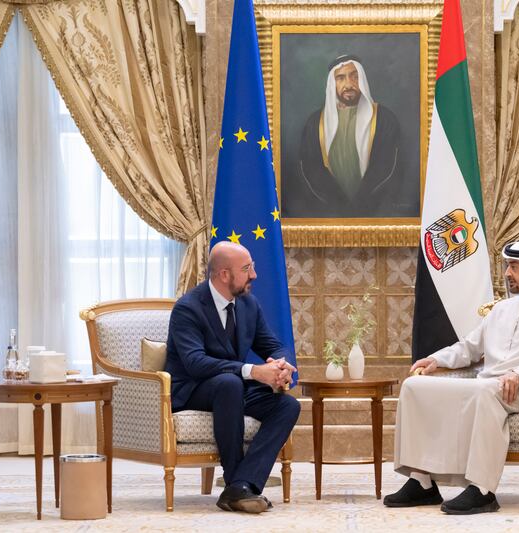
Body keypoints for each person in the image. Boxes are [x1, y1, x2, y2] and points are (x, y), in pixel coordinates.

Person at [384, 239, 519, 515]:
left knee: (486, 391)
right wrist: (437, 359)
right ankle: (422, 481)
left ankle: (482, 490)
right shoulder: (503, 309)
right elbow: (470, 347)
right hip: (488, 385)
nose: (507, 273)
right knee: (415, 386)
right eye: (508, 265)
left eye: (514, 267)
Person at [165, 242, 300, 514]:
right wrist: (253, 371)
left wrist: (281, 363)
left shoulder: (247, 304)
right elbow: (195, 363)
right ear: (224, 275)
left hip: (232, 389)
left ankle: (241, 485)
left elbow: (273, 345)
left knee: (287, 405)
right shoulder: (188, 308)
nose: (254, 275)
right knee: (230, 383)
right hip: (192, 389)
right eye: (247, 269)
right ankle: (234, 479)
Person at [290, 54, 403, 217]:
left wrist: (360, 203)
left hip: (376, 213)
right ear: (332, 84)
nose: (349, 84)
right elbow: (310, 169)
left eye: (355, 77)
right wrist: (339, 204)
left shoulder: (385, 119)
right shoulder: (315, 124)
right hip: (329, 215)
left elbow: (387, 168)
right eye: (341, 78)